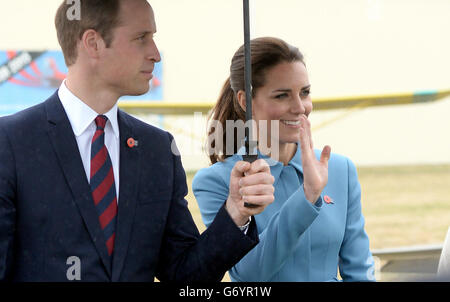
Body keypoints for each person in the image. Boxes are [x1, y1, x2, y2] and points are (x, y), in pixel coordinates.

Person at [0, 0, 275, 282]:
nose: (155, 54)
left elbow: (185, 276)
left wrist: (235, 211)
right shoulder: (9, 143)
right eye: (142, 38)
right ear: (93, 43)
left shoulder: (157, 150)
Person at [193, 37, 375, 282]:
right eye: (282, 96)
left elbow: (360, 272)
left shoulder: (341, 169)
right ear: (245, 101)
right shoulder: (217, 181)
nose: (300, 107)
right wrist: (307, 196)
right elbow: (250, 273)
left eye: (305, 93)